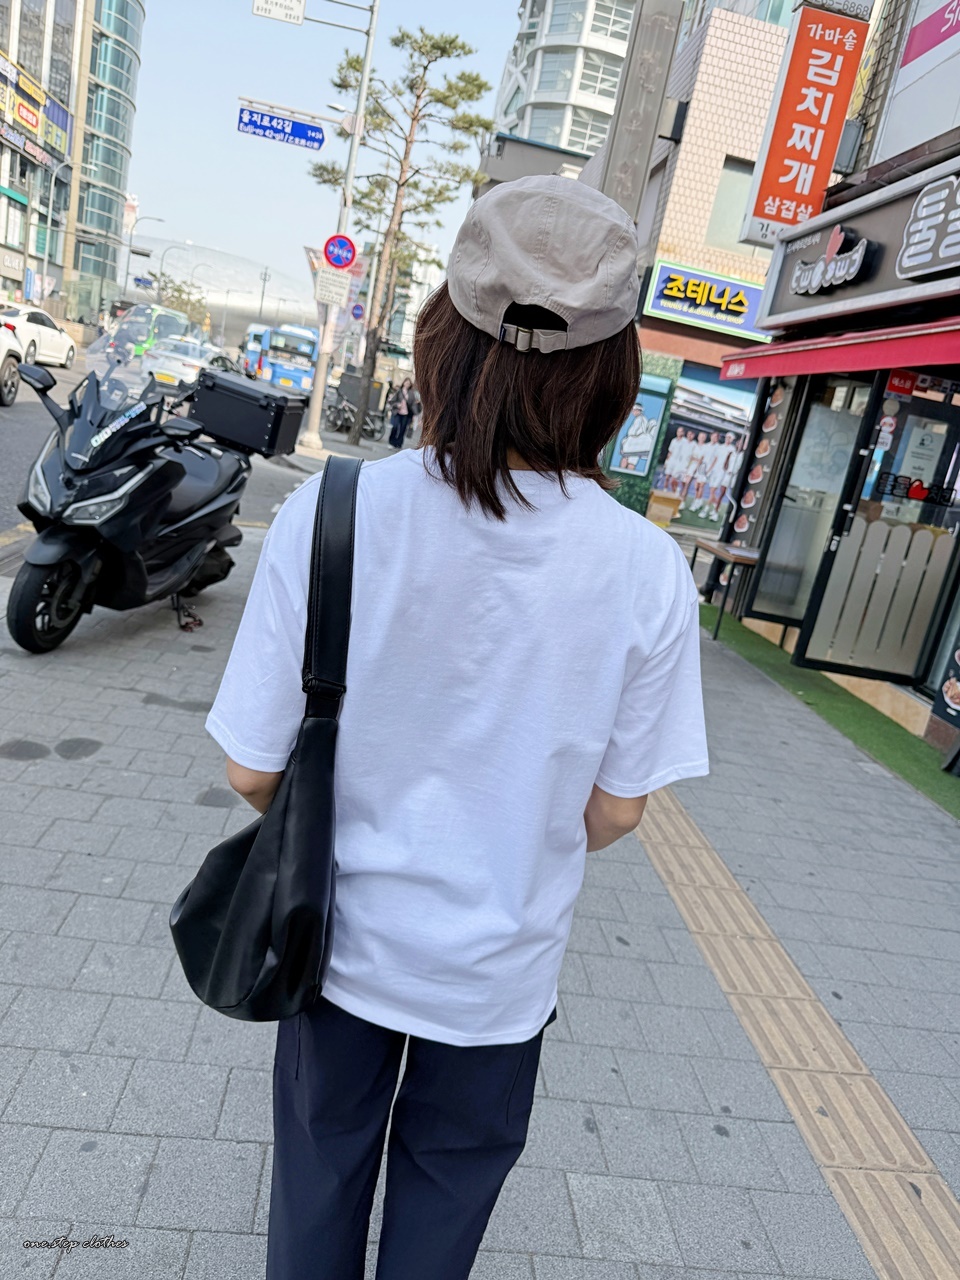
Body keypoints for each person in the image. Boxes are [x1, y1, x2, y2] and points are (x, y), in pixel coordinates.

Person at [205, 173, 708, 1280]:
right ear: (612, 369)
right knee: (443, 1221)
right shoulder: (648, 571)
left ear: (446, 335)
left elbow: (251, 770)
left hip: (334, 945)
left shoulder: (334, 511)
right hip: (500, 976)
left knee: (316, 1190)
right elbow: (617, 811)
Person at [388, 376, 418, 448]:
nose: (407, 384)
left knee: (403, 429)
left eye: (409, 383)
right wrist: (397, 405)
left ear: (410, 385)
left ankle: (399, 444)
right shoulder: (399, 391)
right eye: (406, 382)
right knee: (395, 427)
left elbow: (413, 404)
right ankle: (391, 442)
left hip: (406, 414)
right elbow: (392, 401)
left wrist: (415, 413)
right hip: (397, 412)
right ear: (404, 383)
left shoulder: (411, 393)